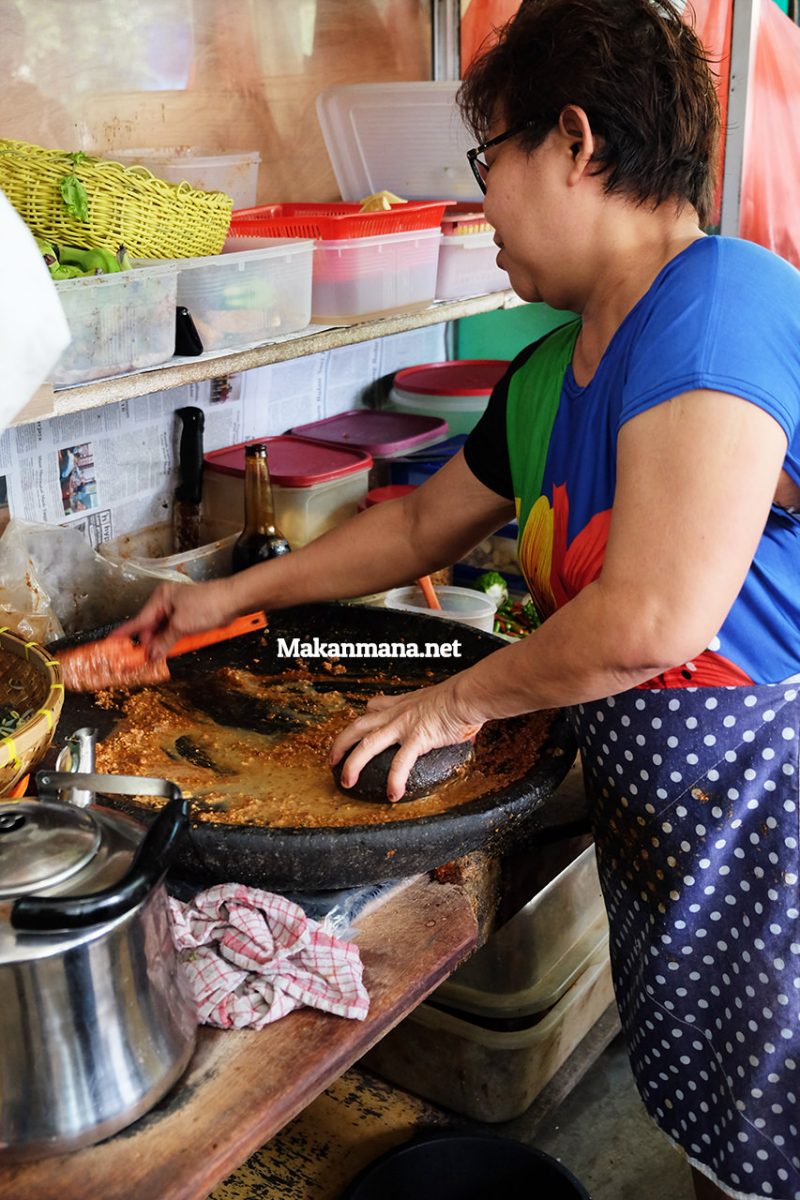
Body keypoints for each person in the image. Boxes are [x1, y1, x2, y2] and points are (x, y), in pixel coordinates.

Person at [120, 2, 800, 1195]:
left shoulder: (715, 300)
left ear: (576, 142)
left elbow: (653, 618)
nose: (476, 204)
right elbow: (422, 525)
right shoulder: (548, 370)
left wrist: (447, 709)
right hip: (672, 844)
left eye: (488, 162)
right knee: (716, 1137)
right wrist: (227, 600)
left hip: (768, 831)